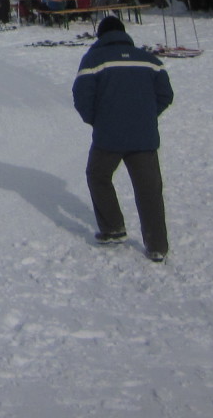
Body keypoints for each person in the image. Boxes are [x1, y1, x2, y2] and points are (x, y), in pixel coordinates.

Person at [72, 15, 174, 262]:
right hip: (144, 136)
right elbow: (166, 95)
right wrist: (146, 116)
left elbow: (82, 97)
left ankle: (113, 227)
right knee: (149, 190)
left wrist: (98, 119)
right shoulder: (150, 60)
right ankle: (157, 246)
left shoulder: (94, 59)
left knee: (98, 176)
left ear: (101, 36)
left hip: (109, 137)